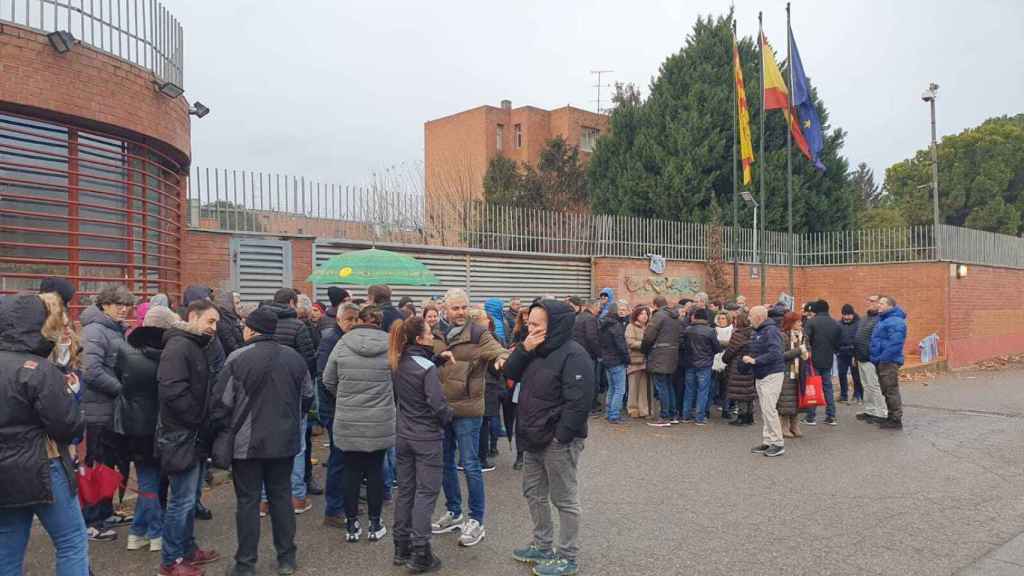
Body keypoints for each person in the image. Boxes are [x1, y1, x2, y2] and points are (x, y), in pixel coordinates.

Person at [213, 306, 313, 576]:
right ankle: (286, 559)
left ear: (251, 329)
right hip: (285, 441)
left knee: (248, 501)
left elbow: (222, 403)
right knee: (281, 497)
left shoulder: (236, 358)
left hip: (247, 444)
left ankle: (245, 564)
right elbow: (307, 396)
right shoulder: (294, 358)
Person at [504, 299, 595, 576]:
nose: (529, 329)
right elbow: (509, 373)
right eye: (528, 323)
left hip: (557, 440)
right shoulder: (532, 349)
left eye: (536, 325)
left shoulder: (574, 354)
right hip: (531, 435)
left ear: (554, 325)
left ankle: (567, 557)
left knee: (564, 499)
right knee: (534, 493)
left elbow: (579, 402)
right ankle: (542, 546)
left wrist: (561, 437)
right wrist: (523, 349)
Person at [0, 293, 89, 576]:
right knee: (71, 541)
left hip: (4, 469)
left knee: (7, 545)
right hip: (43, 465)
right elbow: (67, 426)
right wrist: (73, 398)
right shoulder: (40, 369)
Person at [431, 289, 510, 548]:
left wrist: (500, 359)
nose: (460, 312)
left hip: (468, 409)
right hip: (442, 410)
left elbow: (500, 351)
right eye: (455, 308)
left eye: (464, 307)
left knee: (470, 464)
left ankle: (476, 520)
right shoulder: (435, 334)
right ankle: (454, 512)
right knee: (445, 463)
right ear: (445, 308)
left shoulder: (478, 333)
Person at [156, 299, 221, 576]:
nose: (214, 328)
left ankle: (188, 549)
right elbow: (172, 391)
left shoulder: (194, 345)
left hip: (193, 434)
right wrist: (197, 418)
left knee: (190, 498)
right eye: (210, 321)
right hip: (181, 435)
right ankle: (171, 562)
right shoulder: (179, 346)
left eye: (216, 322)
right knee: (180, 501)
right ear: (193, 317)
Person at [323, 305, 394, 543]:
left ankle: (352, 525)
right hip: (379, 419)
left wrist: (344, 397)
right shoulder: (390, 344)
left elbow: (327, 379)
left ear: (359, 320)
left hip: (348, 418)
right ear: (380, 322)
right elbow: (397, 378)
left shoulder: (343, 343)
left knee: (350, 471)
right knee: (375, 470)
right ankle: (375, 523)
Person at [389, 316, 454, 573]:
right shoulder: (425, 367)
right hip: (426, 437)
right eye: (429, 333)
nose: (432, 336)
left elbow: (408, 384)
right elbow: (437, 403)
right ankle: (420, 552)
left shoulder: (397, 361)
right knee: (426, 494)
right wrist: (449, 415)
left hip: (403, 434)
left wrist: (437, 360)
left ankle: (400, 546)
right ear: (419, 339)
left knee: (405, 491)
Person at [117, 305, 180, 553]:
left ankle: (137, 531)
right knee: (153, 482)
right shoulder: (169, 354)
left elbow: (118, 385)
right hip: (161, 425)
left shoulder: (127, 351)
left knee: (147, 479)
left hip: (134, 425)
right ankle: (155, 531)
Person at [80, 284, 135, 541]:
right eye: (117, 304)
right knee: (95, 466)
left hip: (111, 411)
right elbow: (91, 371)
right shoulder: (95, 330)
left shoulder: (115, 329)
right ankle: (91, 521)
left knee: (108, 465)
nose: (123, 309)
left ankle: (105, 511)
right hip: (97, 412)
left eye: (126, 304)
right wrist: (121, 389)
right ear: (104, 305)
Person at [265, 288, 316, 513]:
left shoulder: (261, 324)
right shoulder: (298, 326)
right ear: (293, 303)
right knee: (297, 447)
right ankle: (296, 497)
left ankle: (264, 500)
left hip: (263, 396)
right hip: (293, 394)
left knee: (265, 447)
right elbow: (308, 362)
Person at [317, 303, 359, 528]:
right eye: (349, 319)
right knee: (338, 459)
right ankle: (333, 509)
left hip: (346, 408)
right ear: (339, 320)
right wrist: (344, 396)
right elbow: (325, 378)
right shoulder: (330, 340)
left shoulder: (346, 339)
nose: (352, 324)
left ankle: (343, 502)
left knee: (347, 459)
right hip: (335, 409)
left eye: (356, 319)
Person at [744, 305, 786, 458]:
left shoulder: (771, 331)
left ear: (759, 317)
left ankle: (778, 443)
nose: (748, 318)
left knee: (769, 409)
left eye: (750, 316)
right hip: (761, 374)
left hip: (772, 374)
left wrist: (754, 361)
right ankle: (768, 441)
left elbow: (775, 353)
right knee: (765, 409)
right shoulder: (759, 331)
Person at [643, 296, 681, 427]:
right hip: (673, 355)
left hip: (659, 355)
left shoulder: (659, 316)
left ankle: (664, 416)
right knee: (669, 385)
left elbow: (648, 336)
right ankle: (673, 414)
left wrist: (644, 350)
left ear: (655, 305)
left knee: (661, 386)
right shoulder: (676, 317)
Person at [870, 296, 907, 430]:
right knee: (886, 390)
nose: (878, 305)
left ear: (890, 306)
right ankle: (891, 416)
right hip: (883, 361)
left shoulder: (895, 321)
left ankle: (896, 420)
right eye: (878, 303)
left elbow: (896, 343)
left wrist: (883, 358)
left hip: (888, 361)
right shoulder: (884, 320)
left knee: (891, 390)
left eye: (882, 303)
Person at [802, 300, 841, 426]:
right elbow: (837, 343)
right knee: (827, 387)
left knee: (812, 386)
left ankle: (811, 416)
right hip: (828, 358)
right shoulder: (835, 323)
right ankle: (831, 416)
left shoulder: (811, 322)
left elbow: (805, 340)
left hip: (813, 359)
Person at [681, 308, 723, 425]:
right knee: (702, 391)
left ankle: (686, 415)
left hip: (689, 363)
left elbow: (683, 345)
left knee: (689, 390)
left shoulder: (688, 330)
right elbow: (717, 348)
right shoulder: (710, 331)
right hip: (705, 364)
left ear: (695, 317)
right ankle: (700, 417)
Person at [854, 296, 887, 423]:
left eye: (872, 301)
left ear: (879, 304)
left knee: (874, 385)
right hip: (860, 357)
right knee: (866, 385)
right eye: (868, 300)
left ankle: (881, 412)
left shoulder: (880, 319)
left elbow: (880, 339)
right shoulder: (864, 318)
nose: (869, 303)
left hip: (871, 358)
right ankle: (870, 410)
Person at [778, 312, 809, 438]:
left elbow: (808, 348)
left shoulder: (803, 336)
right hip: (787, 371)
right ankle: (784, 426)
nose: (800, 324)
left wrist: (807, 352)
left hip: (800, 371)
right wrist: (798, 351)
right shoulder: (783, 336)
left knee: (797, 398)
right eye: (798, 322)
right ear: (790, 323)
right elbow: (782, 355)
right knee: (786, 399)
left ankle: (795, 425)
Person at [723, 311, 756, 427]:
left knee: (740, 392)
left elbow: (730, 351)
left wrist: (724, 359)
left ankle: (742, 417)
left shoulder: (738, 334)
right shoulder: (753, 333)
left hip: (738, 366)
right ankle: (749, 416)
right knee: (748, 390)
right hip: (750, 364)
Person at [598, 302, 629, 423]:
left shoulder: (603, 324)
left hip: (606, 360)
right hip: (617, 360)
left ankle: (608, 412)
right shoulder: (616, 326)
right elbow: (621, 345)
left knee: (611, 388)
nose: (622, 312)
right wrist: (627, 359)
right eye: (620, 309)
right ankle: (614, 415)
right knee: (620, 389)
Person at [625, 306, 651, 419]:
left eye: (646, 314)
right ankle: (633, 409)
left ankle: (644, 410)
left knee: (644, 388)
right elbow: (630, 342)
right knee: (633, 387)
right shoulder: (631, 327)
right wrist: (644, 344)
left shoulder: (649, 327)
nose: (644, 316)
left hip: (646, 361)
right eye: (642, 314)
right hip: (634, 360)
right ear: (636, 315)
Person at [837, 304, 862, 404]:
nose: (846, 317)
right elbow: (835, 338)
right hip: (841, 353)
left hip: (854, 354)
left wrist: (855, 351)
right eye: (844, 315)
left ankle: (857, 394)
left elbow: (859, 339)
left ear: (853, 314)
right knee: (841, 374)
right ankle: (844, 395)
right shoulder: (838, 324)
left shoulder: (859, 324)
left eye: (849, 315)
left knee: (856, 375)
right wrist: (837, 350)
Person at [213, 291, 243, 357]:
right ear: (228, 304)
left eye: (240, 302)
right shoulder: (222, 322)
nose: (241, 306)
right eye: (237, 303)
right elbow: (231, 347)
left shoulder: (233, 318)